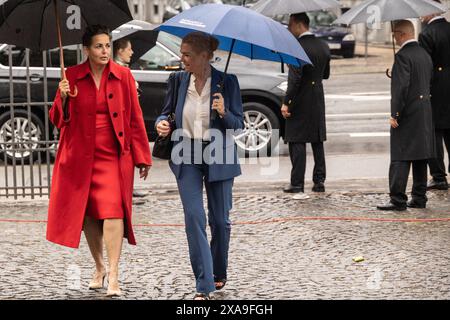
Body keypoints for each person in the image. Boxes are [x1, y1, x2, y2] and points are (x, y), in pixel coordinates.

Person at [46, 25, 152, 297]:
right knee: (90, 215)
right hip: (81, 156)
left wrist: (142, 156)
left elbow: (135, 119)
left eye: (107, 46)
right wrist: (63, 98)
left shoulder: (124, 75)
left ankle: (115, 274)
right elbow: (58, 120)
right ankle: (99, 266)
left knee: (114, 210)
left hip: (114, 155)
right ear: (86, 50)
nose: (105, 51)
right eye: (98, 46)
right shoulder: (70, 76)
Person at [155, 32, 244, 300]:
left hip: (219, 153)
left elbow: (238, 124)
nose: (181, 58)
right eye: (181, 53)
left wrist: (224, 112)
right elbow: (166, 111)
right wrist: (161, 123)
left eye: (187, 54)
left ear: (205, 56)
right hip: (186, 154)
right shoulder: (178, 80)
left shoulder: (227, 82)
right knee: (194, 218)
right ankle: (203, 284)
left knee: (220, 221)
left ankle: (218, 272)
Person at [377, 20, 434, 211]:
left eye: (394, 34)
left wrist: (396, 114)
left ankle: (397, 199)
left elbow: (401, 89)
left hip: (408, 112)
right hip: (424, 111)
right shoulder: (424, 54)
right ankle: (419, 197)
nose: (394, 37)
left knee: (400, 154)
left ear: (401, 34)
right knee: (420, 156)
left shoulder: (402, 56)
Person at [281, 12, 330, 200]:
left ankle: (297, 183)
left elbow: (294, 79)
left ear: (298, 24)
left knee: (297, 140)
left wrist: (287, 103)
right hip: (317, 94)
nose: (289, 28)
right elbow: (325, 75)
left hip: (300, 97)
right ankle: (319, 182)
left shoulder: (296, 48)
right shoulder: (323, 45)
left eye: (290, 24)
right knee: (317, 139)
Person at [419, 1, 450, 191]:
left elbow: (425, 65)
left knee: (434, 133)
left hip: (436, 87)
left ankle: (439, 177)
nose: (421, 16)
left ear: (431, 12)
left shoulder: (427, 34)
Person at [113, 37, 147, 198]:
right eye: (129, 48)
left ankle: (128, 186)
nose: (132, 52)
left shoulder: (125, 69)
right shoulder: (117, 70)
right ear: (120, 51)